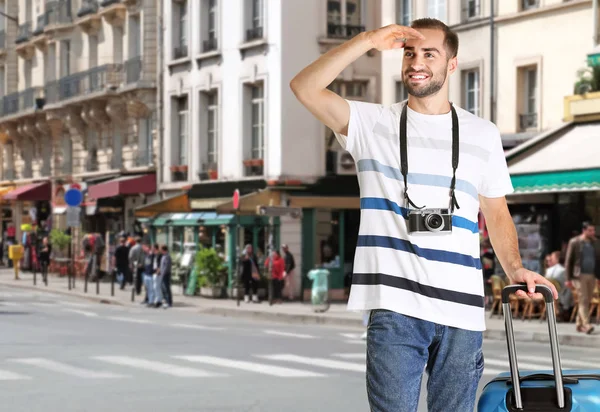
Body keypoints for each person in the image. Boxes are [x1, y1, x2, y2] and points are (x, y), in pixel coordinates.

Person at [290, 18, 558, 412]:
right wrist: (367, 40)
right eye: (410, 53)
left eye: (429, 53)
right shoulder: (371, 123)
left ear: (451, 63)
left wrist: (515, 268)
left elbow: (496, 211)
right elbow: (304, 87)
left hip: (462, 312)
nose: (417, 62)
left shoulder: (482, 134)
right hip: (395, 309)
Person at [564, 222, 600, 334]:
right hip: (579, 275)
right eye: (590, 230)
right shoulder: (575, 242)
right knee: (583, 299)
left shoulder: (596, 242)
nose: (592, 232)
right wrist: (568, 278)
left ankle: (579, 324)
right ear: (584, 230)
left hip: (592, 275)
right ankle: (586, 324)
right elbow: (568, 261)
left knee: (587, 300)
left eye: (593, 230)